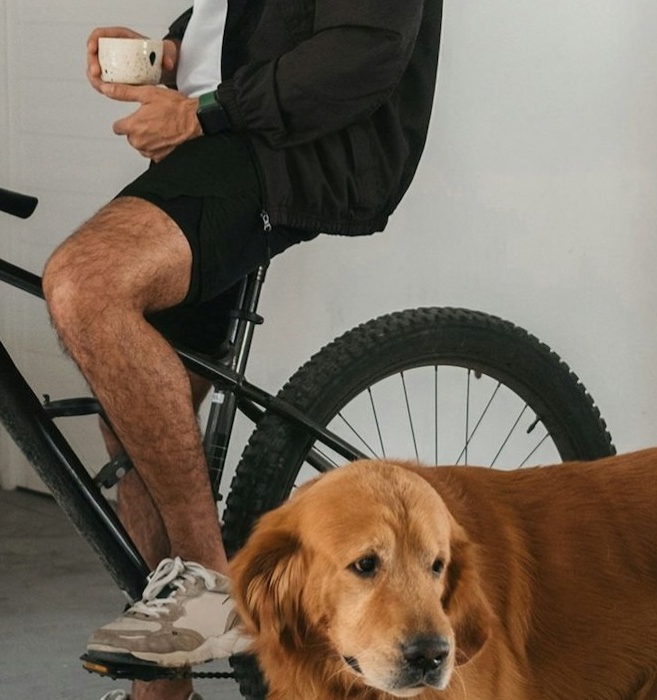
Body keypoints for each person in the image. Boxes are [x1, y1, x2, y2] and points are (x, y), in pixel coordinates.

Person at [43, 1, 443, 698]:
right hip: (231, 136)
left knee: (86, 282)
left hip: (293, 145)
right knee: (133, 406)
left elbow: (366, 48)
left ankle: (210, 584)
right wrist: (171, 53)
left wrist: (207, 113)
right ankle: (163, 688)